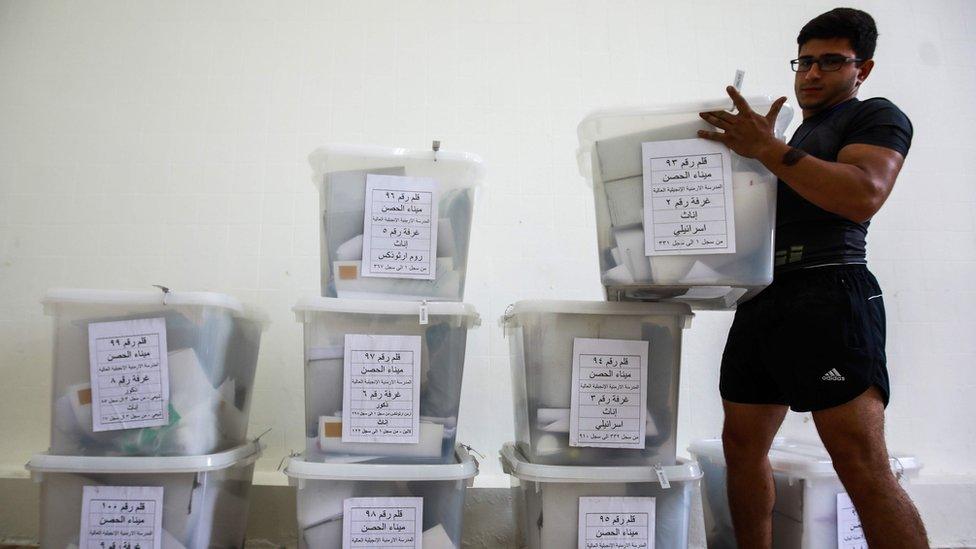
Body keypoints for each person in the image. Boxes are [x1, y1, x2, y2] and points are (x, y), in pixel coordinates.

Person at [697, 7, 928, 549]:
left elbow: (860, 194)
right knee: (741, 449)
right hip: (765, 299)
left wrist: (769, 150)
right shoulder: (790, 134)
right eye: (804, 61)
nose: (812, 73)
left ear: (862, 69)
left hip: (831, 293)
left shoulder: (874, 115)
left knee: (859, 461)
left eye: (831, 61)